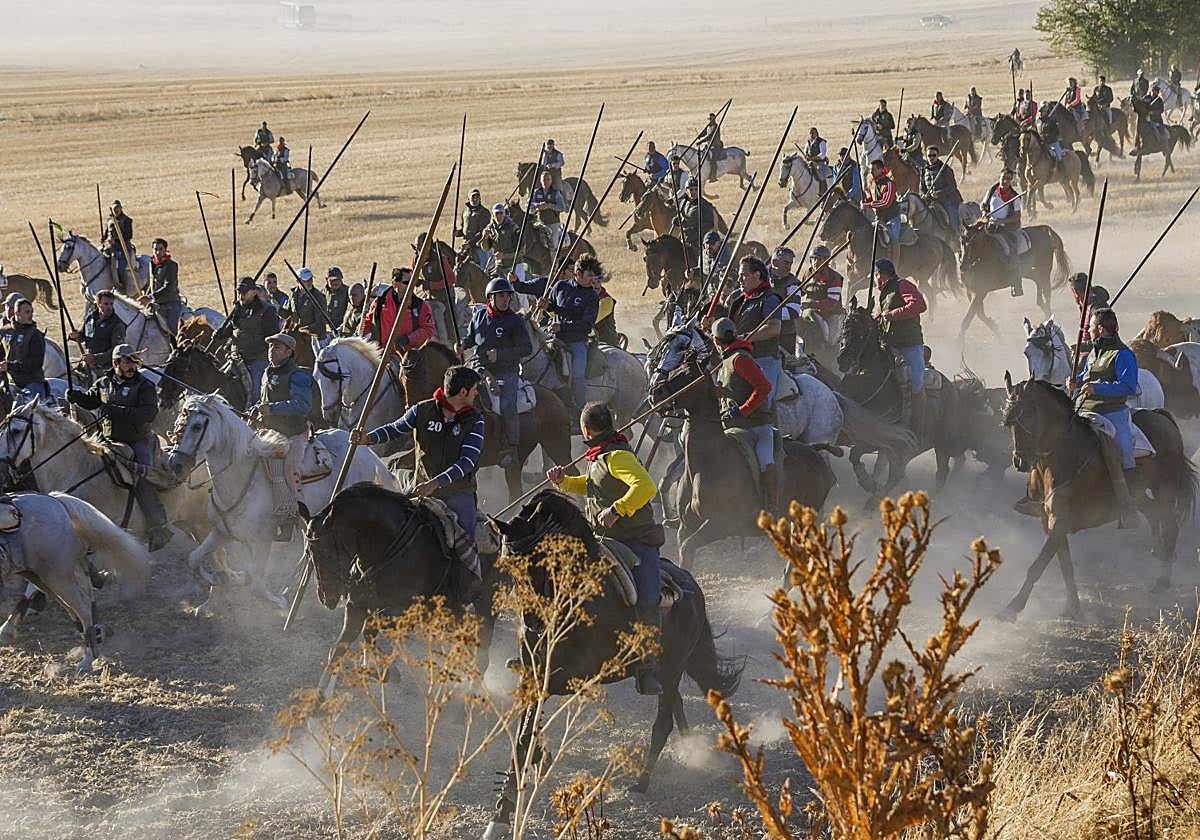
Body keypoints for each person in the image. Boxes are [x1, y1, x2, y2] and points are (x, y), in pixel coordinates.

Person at [545, 401, 664, 696]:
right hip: (602, 539)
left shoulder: (617, 456)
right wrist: (564, 482)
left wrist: (618, 509)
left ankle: (648, 666)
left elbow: (646, 486)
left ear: (586, 430)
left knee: (648, 597)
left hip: (634, 541)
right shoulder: (599, 455)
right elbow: (592, 485)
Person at [351, 365, 485, 605]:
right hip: (420, 489)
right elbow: (395, 429)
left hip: (458, 493)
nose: (477, 393)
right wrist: (368, 438)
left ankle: (461, 594)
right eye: (475, 389)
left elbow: (466, 463)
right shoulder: (421, 410)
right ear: (463, 392)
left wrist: (436, 483)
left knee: (465, 541)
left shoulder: (475, 420)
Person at [67, 344, 170, 550]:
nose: (132, 366)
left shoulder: (144, 385)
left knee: (142, 478)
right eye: (127, 361)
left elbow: (148, 414)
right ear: (116, 363)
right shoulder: (103, 382)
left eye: (134, 361)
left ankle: (159, 527)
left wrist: (117, 411)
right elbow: (91, 401)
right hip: (109, 439)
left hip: (138, 441)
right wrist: (76, 397)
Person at [1071, 307, 1139, 529]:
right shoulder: (1094, 352)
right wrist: (1076, 382)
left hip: (1112, 412)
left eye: (1090, 327)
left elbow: (1128, 386)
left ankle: (1128, 506)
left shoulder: (1123, 354)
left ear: (1100, 329)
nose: (1088, 331)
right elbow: (1085, 377)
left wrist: (1097, 388)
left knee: (1124, 449)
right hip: (1084, 409)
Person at [463, 277, 531, 467]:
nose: (505, 299)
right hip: (478, 369)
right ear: (490, 297)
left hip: (506, 372)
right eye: (501, 295)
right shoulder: (479, 316)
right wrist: (462, 344)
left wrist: (500, 355)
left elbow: (526, 348)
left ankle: (512, 448)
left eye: (508, 295)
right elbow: (470, 338)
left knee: (507, 404)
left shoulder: (515, 321)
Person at [711, 317, 777, 508]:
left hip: (756, 426)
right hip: (733, 426)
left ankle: (772, 505)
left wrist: (743, 410)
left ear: (716, 341)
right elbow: (733, 388)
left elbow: (764, 387)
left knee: (765, 460)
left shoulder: (740, 359)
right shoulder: (726, 360)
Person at [255, 333, 314, 537]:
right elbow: (263, 401)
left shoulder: (298, 376)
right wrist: (256, 410)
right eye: (270, 346)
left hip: (293, 433)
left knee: (288, 469)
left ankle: (290, 518)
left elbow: (303, 405)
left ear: (289, 352)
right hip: (271, 433)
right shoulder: (267, 372)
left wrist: (272, 409)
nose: (271, 350)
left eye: (277, 347)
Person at [539, 254, 601, 419]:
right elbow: (553, 308)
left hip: (576, 342)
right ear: (578, 273)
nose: (592, 279)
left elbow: (586, 325)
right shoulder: (560, 286)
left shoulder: (592, 297)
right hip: (553, 338)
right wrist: (546, 306)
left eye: (594, 276)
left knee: (578, 375)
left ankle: (581, 412)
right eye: (589, 275)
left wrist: (562, 326)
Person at [873, 259, 928, 436]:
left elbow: (919, 304)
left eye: (875, 275)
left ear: (880, 275)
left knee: (917, 381)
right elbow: (880, 317)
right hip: (888, 345)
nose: (874, 280)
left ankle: (918, 426)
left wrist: (892, 315)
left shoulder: (902, 285)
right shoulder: (883, 293)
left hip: (909, 344)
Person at [362, 266, 436, 397]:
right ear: (395, 283)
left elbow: (428, 329)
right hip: (381, 353)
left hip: (407, 356)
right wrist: (362, 331)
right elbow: (368, 321)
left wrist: (409, 338)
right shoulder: (379, 303)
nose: (411, 286)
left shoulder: (421, 306)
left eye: (413, 282)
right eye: (407, 282)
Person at [212, 276, 282, 404]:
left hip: (257, 359)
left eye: (244, 292)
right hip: (236, 359)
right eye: (239, 292)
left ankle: (257, 413)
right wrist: (220, 333)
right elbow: (231, 328)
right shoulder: (238, 309)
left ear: (254, 292)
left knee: (256, 395)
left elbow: (273, 337)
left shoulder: (267, 310)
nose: (241, 295)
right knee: (218, 385)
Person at [725, 256, 783, 407]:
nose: (739, 280)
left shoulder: (769, 298)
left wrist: (746, 338)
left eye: (743, 275)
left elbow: (774, 328)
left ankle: (768, 421)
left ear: (757, 275)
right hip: (738, 358)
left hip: (763, 358)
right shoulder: (739, 300)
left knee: (763, 401)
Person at [981, 169, 1024, 295]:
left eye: (1008, 179)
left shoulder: (1014, 197)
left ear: (1011, 181)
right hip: (990, 225)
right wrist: (984, 212)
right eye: (1003, 178)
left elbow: (1017, 216)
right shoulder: (992, 190)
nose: (1005, 181)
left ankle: (1016, 283)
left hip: (1006, 229)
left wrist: (1002, 221)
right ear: (999, 177)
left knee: (1011, 251)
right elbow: (983, 205)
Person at [70, 289, 126, 381]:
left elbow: (117, 351)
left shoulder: (118, 325)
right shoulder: (90, 318)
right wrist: (76, 336)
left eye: (111, 304)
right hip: (87, 366)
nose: (109, 307)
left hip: (106, 370)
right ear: (98, 304)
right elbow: (83, 336)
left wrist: (95, 358)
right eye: (106, 304)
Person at [0, 299, 48, 404]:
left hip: (32, 382)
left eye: (31, 312)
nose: (31, 315)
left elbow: (35, 363)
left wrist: (9, 366)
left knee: (27, 410)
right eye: (27, 312)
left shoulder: (35, 335)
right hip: (10, 382)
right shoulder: (4, 332)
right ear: (17, 313)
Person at [800, 244, 845, 342]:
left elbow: (832, 302)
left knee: (831, 341)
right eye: (814, 259)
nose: (816, 262)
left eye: (819, 259)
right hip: (811, 312)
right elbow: (801, 292)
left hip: (831, 314)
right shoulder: (807, 274)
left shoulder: (834, 277)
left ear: (826, 261)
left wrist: (810, 305)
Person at [290, 266, 329, 365]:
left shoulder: (318, 297)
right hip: (297, 340)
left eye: (310, 279)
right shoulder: (294, 295)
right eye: (306, 280)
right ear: (298, 281)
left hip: (314, 340)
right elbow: (288, 314)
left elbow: (320, 323)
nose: (309, 282)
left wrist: (303, 330)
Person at [919, 144, 963, 233]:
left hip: (947, 200)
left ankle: (957, 235)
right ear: (926, 156)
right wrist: (923, 195)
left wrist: (938, 193)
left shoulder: (945, 169)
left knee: (952, 218)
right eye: (929, 155)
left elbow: (952, 187)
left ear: (938, 156)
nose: (931, 157)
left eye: (934, 155)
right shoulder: (923, 171)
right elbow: (922, 187)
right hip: (931, 201)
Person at [767, 246, 802, 357]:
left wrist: (766, 315)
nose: (789, 268)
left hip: (784, 335)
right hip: (759, 332)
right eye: (786, 263)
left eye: (790, 264)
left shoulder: (793, 284)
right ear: (774, 262)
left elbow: (793, 311)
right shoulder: (761, 275)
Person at [144, 237, 182, 336]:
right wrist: (146, 296)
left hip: (170, 304)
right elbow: (152, 284)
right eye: (155, 249)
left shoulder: (171, 265)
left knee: (172, 331)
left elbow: (168, 286)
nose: (157, 252)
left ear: (165, 250)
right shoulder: (151, 264)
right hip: (156, 303)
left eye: (160, 249)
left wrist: (151, 297)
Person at [863, 160, 901, 258]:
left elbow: (886, 202)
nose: (871, 172)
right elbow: (870, 198)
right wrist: (865, 200)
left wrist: (869, 204)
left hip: (892, 218)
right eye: (870, 170)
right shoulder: (872, 183)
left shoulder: (889, 184)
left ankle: (895, 263)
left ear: (881, 169)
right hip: (879, 219)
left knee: (894, 239)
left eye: (873, 170)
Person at [674, 180, 716, 267]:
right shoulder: (683, 203)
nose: (693, 192)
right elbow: (683, 217)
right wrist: (678, 220)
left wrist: (695, 230)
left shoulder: (705, 205)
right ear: (686, 190)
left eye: (696, 189)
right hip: (684, 239)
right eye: (691, 190)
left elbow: (710, 224)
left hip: (698, 243)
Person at [1069, 272, 1110, 354]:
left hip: (1096, 354)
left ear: (1076, 292)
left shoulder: (1097, 309)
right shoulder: (1085, 304)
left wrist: (1081, 347)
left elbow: (1105, 339)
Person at [102, 200, 135, 294]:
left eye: (118, 208)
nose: (116, 210)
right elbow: (106, 233)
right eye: (114, 208)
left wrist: (115, 241)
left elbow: (129, 236)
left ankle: (122, 286)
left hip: (123, 247)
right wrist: (103, 238)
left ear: (121, 208)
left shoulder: (127, 220)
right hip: (111, 246)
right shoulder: (109, 220)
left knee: (120, 267)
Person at [530, 169, 567, 251]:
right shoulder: (536, 192)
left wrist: (549, 206)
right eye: (544, 180)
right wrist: (537, 206)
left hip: (553, 223)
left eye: (548, 179)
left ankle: (554, 258)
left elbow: (562, 207)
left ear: (551, 181)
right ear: (540, 181)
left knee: (553, 246)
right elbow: (527, 205)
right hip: (539, 223)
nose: (546, 182)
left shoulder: (556, 193)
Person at [483, 203, 521, 279]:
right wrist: (485, 238)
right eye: (496, 213)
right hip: (498, 266)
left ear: (504, 214)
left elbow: (521, 252)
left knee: (517, 285)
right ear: (493, 215)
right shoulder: (489, 228)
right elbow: (486, 248)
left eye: (501, 213)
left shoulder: (513, 228)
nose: (499, 216)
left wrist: (504, 256)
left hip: (514, 265)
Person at [457, 188, 492, 269]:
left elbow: (482, 232)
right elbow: (464, 229)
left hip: (480, 247)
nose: (475, 199)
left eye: (477, 197)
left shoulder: (484, 212)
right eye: (473, 197)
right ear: (468, 198)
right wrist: (457, 233)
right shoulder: (465, 212)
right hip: (466, 246)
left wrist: (469, 243)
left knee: (484, 268)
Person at [699, 112, 724, 182]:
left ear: (714, 119)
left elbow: (710, 136)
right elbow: (704, 132)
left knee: (713, 160)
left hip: (715, 146)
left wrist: (701, 141)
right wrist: (699, 136)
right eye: (709, 119)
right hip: (708, 146)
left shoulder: (716, 127)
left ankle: (713, 176)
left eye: (711, 119)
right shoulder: (708, 126)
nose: (710, 120)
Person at [324, 267, 350, 331]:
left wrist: (343, 327)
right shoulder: (323, 293)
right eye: (332, 280)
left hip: (343, 330)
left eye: (338, 279)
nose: (335, 282)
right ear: (326, 279)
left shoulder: (348, 292)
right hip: (327, 329)